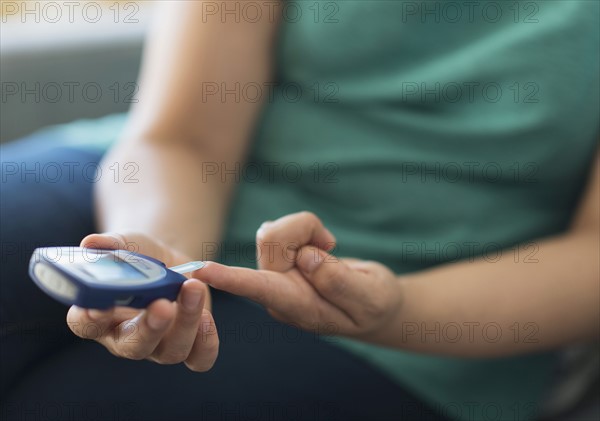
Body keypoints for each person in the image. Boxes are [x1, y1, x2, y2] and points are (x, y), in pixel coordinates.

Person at [1, 1, 598, 420]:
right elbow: (183, 136)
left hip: (423, 306)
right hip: (162, 183)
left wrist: (390, 311)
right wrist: (159, 257)